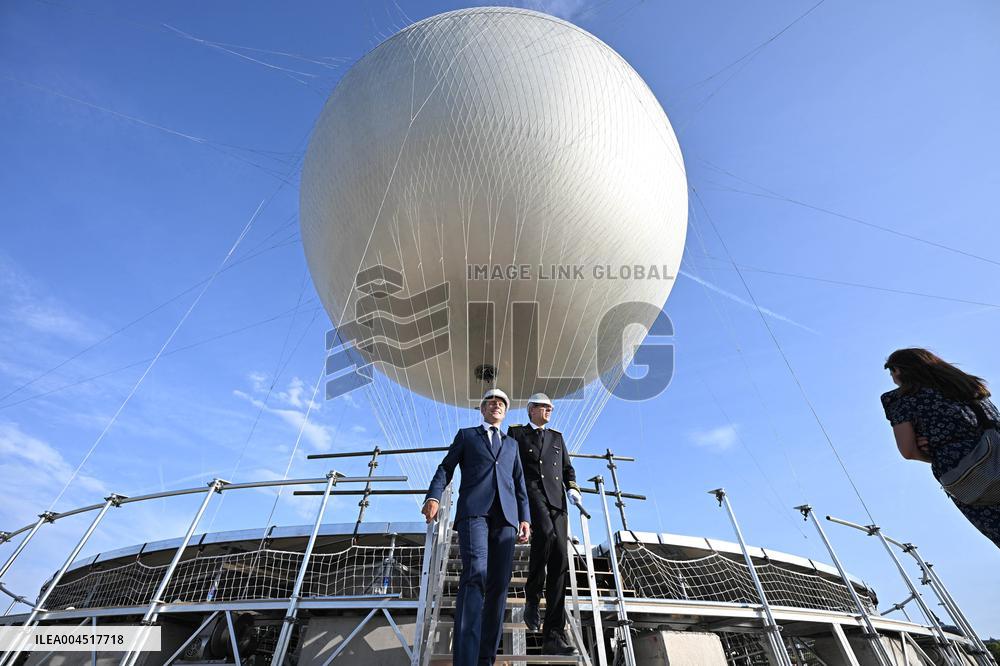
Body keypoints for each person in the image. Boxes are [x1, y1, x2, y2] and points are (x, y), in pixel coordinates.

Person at [423, 389, 532, 666]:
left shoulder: (512, 445)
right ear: (482, 409)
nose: (497, 405)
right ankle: (466, 660)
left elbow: (519, 483)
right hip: (474, 513)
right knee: (475, 575)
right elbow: (446, 468)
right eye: (491, 402)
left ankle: (485, 660)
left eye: (502, 403)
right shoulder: (466, 436)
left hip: (506, 518)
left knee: (499, 586)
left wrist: (525, 518)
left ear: (505, 412)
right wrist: (433, 496)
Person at [881, 348, 1000, 548]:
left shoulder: (901, 398)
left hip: (970, 476)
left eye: (891, 372)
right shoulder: (970, 386)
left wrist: (934, 450)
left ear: (898, 370)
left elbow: (908, 451)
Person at [507, 393, 582, 656]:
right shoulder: (517, 433)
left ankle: (553, 635)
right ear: (531, 409)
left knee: (560, 558)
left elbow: (567, 469)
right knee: (547, 536)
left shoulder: (557, 438)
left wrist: (573, 489)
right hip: (531, 494)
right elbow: (510, 466)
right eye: (544, 406)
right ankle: (532, 596)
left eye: (551, 407)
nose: (549, 410)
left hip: (557, 500)